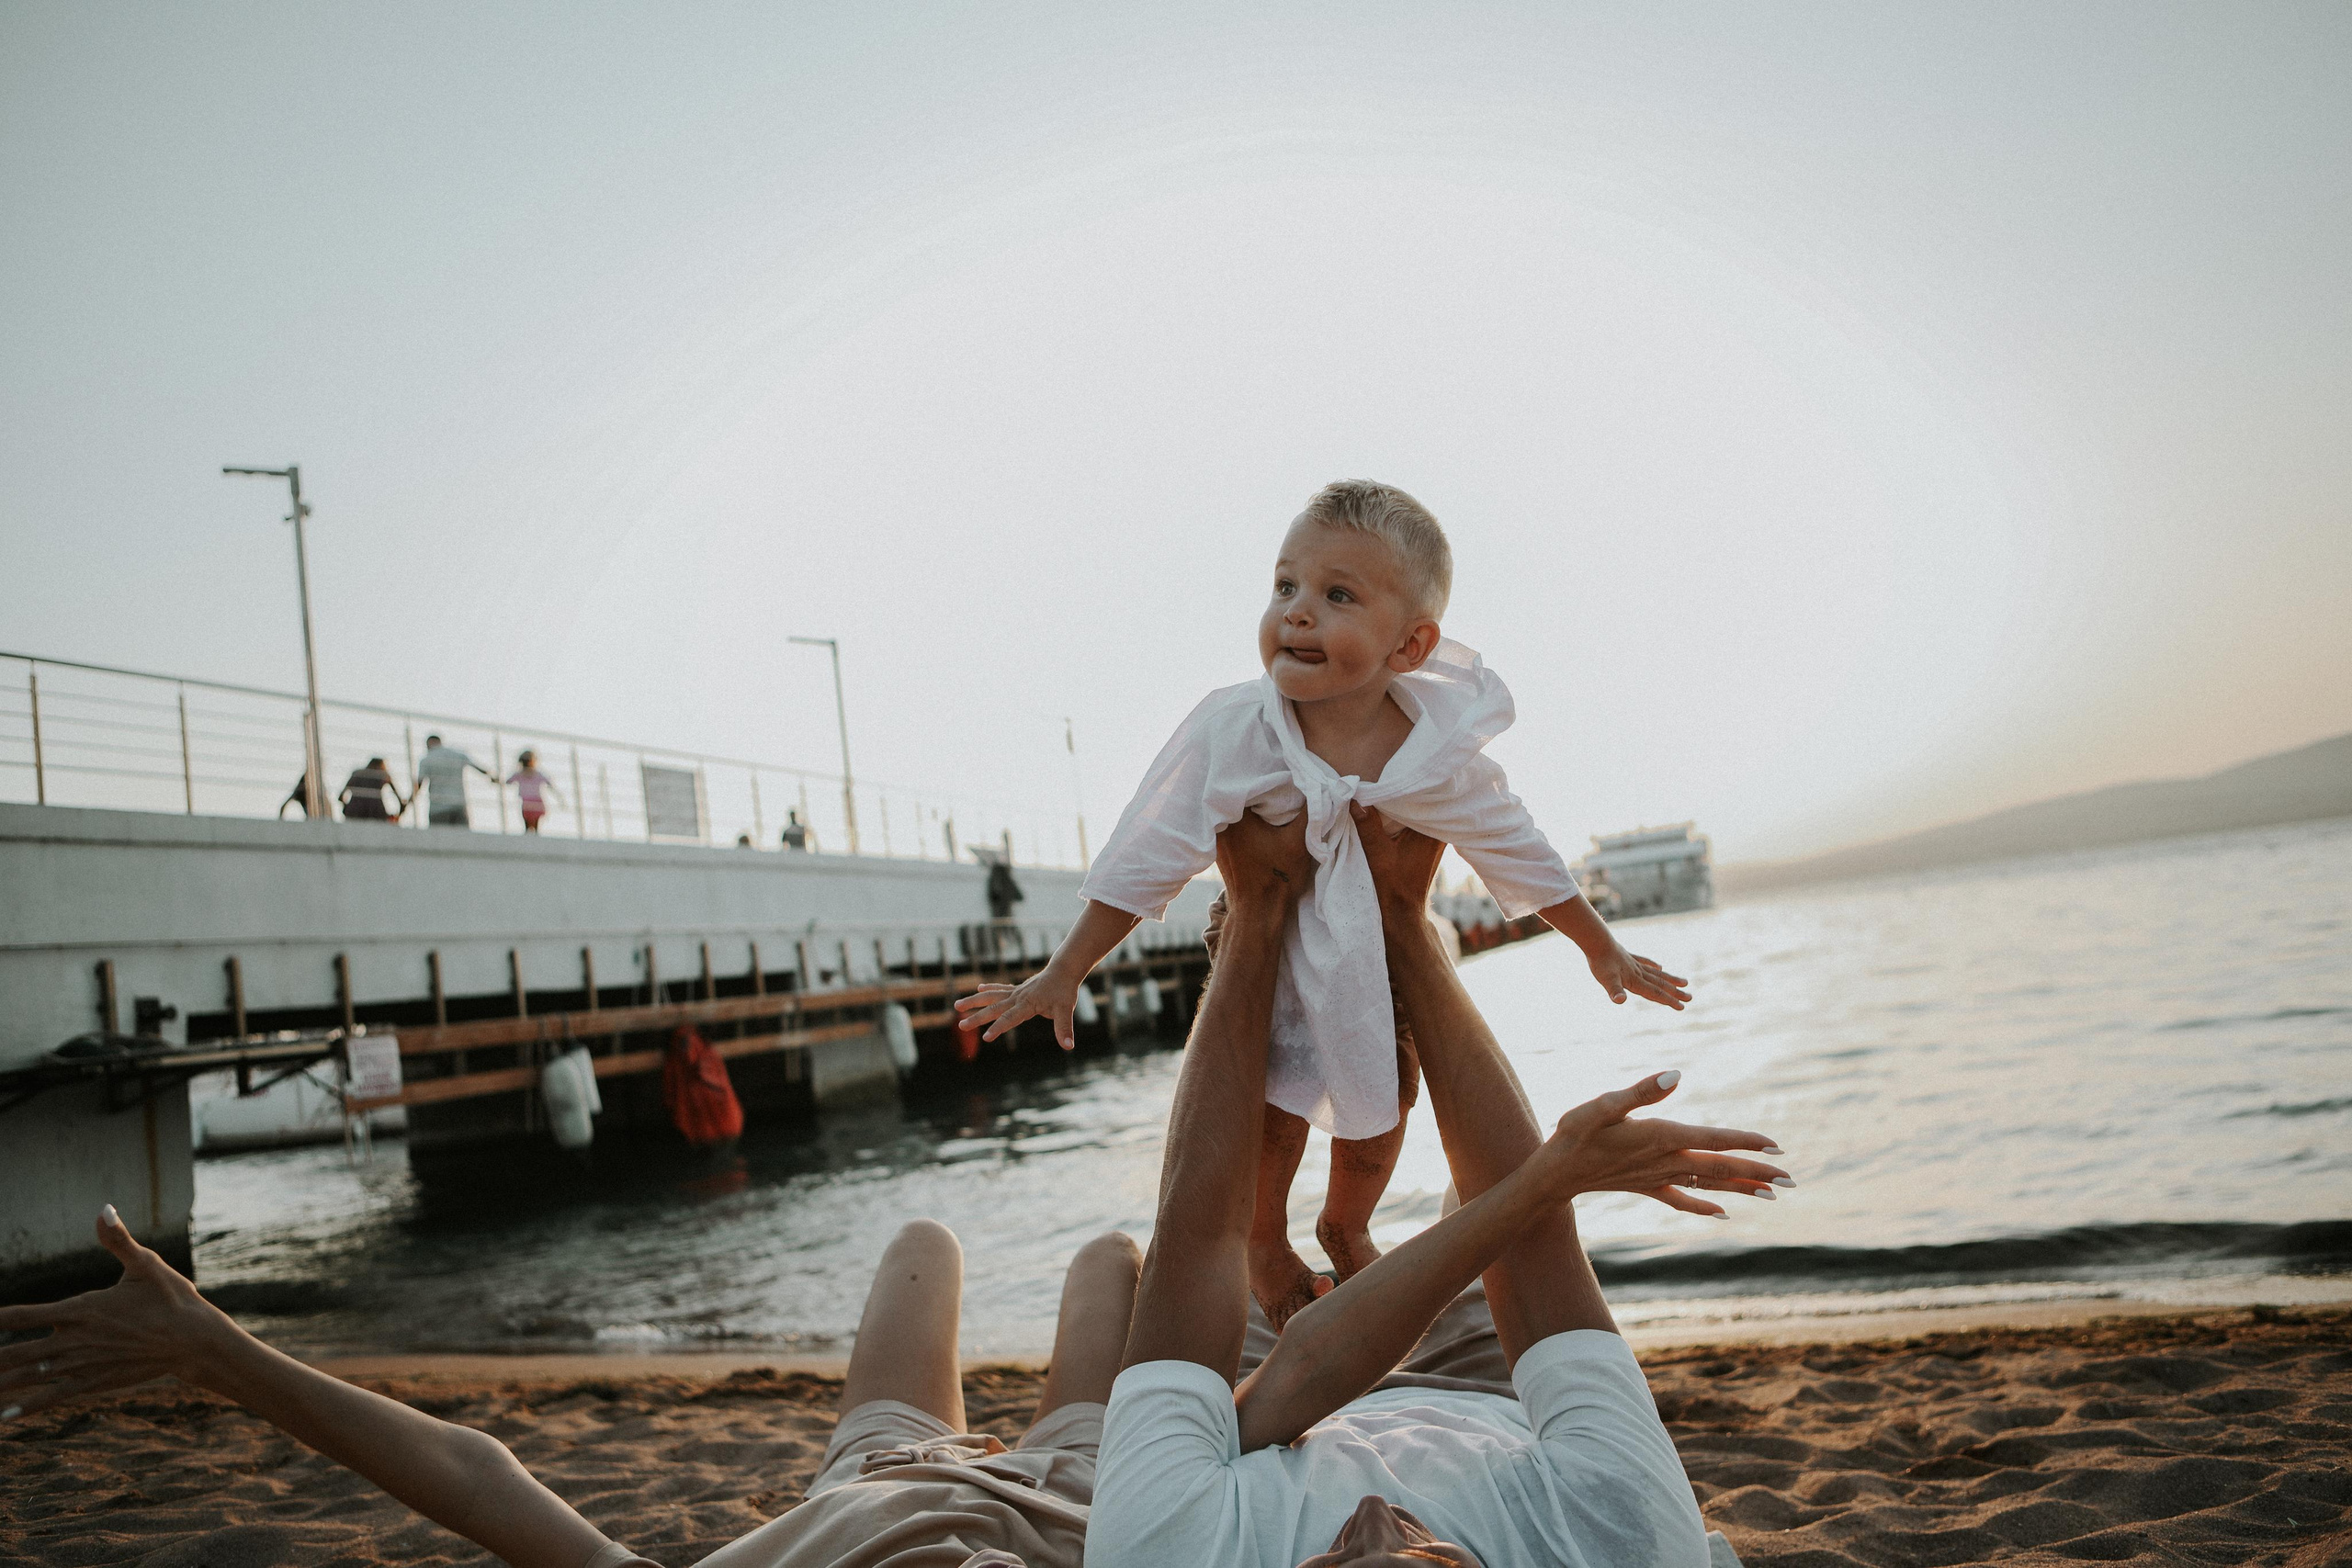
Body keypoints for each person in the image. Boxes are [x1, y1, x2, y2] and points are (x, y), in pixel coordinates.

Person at [958, 479, 1693, 1325]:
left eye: (1337, 595)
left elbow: (1508, 835)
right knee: (1272, 1105)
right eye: (1284, 587)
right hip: (1264, 942)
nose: (1298, 613)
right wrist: (1065, 969)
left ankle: (1346, 1223)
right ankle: (1263, 1239)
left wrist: (1596, 942)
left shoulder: (1432, 749)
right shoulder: (1235, 728)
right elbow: (1147, 846)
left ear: (1409, 645)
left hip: (1377, 956)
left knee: (1386, 1099)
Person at [1084, 807, 1783, 1567]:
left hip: (1266, 1416)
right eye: (1422, 1560)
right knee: (1473, 1204)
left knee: (1200, 1277)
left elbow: (1201, 1231)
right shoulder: (1624, 1544)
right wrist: (1403, 916)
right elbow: (1536, 1245)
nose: (1374, 1519)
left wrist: (1255, 915)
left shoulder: (1161, 1552)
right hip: (1485, 1390)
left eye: (1329, 1567)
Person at [0, 1214, 1144, 1568]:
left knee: (926, 1244)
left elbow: (477, 1474)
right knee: (1107, 1258)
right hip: (1075, 1495)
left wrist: (218, 1353)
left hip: (875, 1474)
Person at [412, 735, 493, 829]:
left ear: (428, 744)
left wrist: (408, 802)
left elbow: (419, 784)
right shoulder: (457, 754)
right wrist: (493, 777)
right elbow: (480, 768)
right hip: (459, 806)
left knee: (439, 841)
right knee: (463, 840)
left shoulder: (426, 759)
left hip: (437, 808)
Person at [504, 749, 563, 833]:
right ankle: (531, 836)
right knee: (528, 824)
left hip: (535, 802)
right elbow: (507, 782)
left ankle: (534, 836)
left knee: (535, 825)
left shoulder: (533, 774)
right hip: (527, 802)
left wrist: (559, 797)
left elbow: (549, 784)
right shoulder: (520, 775)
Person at [338, 756, 405, 823]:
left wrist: (346, 809)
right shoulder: (383, 775)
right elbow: (400, 801)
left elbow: (341, 797)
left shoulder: (357, 773)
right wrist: (397, 815)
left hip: (354, 811)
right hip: (376, 812)